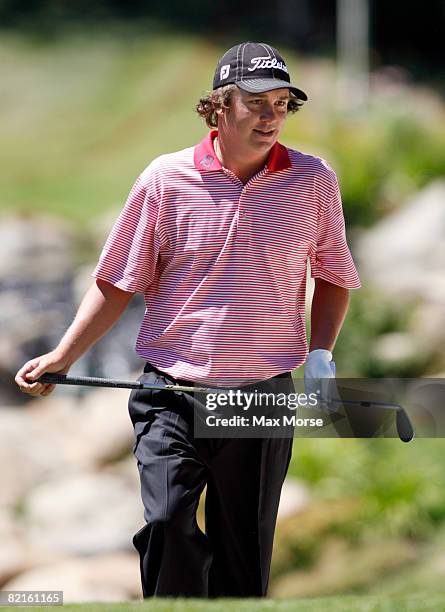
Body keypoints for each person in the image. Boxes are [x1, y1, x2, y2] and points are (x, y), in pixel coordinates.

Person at [15, 41, 361, 598]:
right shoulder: (164, 179)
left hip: (259, 396)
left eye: (282, 103)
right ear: (218, 107)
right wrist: (62, 357)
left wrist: (321, 355)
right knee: (167, 523)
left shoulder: (312, 180)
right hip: (173, 391)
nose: (271, 116)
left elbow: (335, 274)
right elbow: (114, 283)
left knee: (243, 560)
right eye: (256, 102)